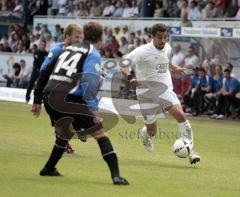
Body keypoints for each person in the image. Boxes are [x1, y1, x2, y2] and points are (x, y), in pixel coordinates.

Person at [31, 21, 129, 185]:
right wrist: (94, 110)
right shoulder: (92, 53)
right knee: (100, 134)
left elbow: (45, 71)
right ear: (100, 36)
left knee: (65, 133)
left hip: (49, 96)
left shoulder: (67, 49)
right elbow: (89, 84)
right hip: (68, 99)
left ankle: (48, 168)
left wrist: (38, 98)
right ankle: (116, 176)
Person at [120, 23, 200, 164]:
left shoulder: (167, 47)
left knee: (181, 116)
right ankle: (146, 133)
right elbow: (123, 64)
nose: (163, 41)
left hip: (165, 90)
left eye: (165, 37)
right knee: (152, 131)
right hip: (146, 93)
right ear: (152, 37)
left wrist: (174, 68)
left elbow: (165, 60)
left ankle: (190, 152)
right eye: (159, 38)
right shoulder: (142, 51)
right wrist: (130, 77)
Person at [33, 23, 84, 154]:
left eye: (80, 38)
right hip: (52, 91)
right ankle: (67, 141)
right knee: (62, 121)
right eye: (76, 37)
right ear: (67, 37)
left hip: (66, 91)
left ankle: (74, 133)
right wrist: (38, 98)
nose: (79, 41)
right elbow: (44, 70)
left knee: (62, 121)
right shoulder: (57, 50)